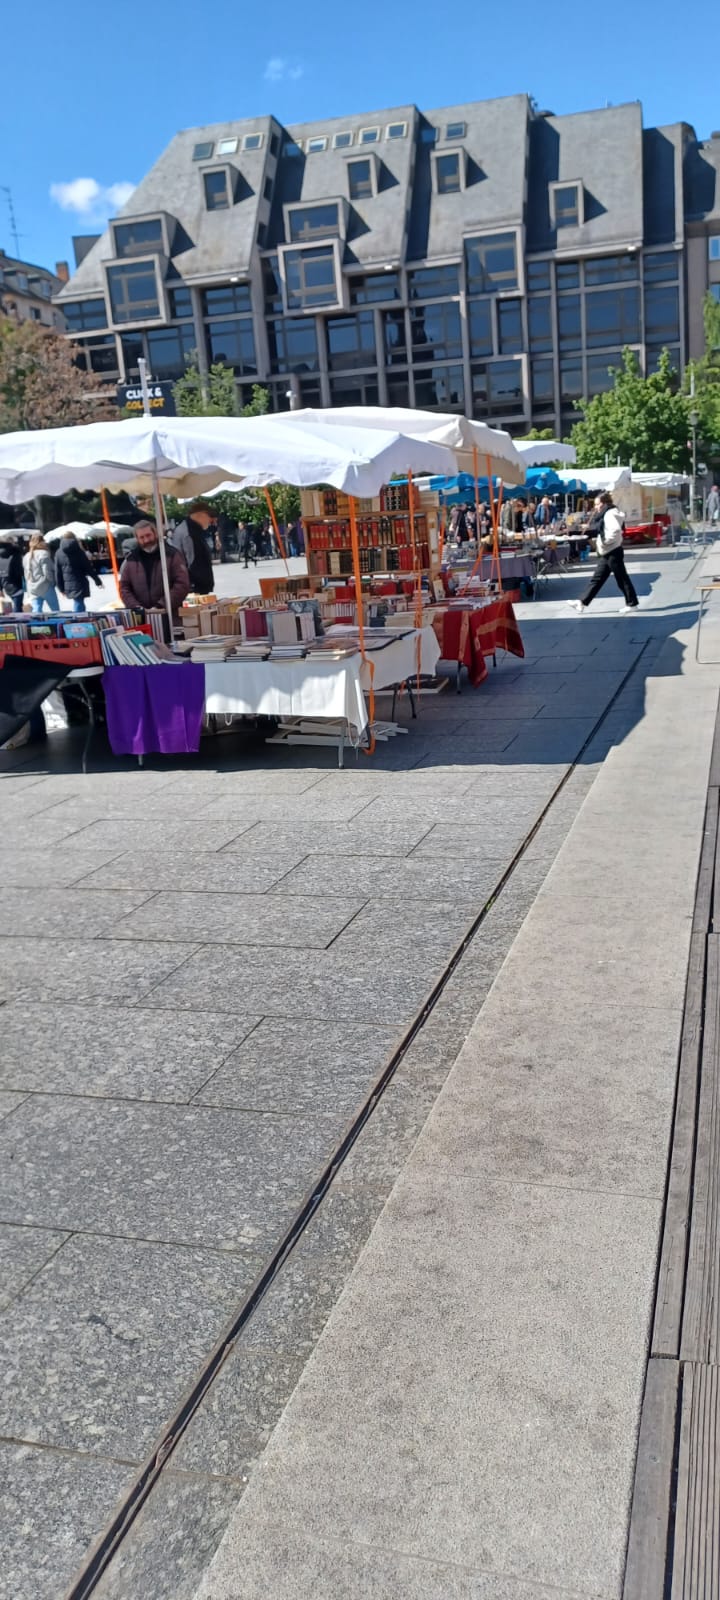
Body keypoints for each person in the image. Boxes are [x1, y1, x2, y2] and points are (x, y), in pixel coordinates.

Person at [568, 492, 639, 615]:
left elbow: (615, 530)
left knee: (621, 578)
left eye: (597, 504)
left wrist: (606, 542)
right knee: (598, 578)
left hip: (612, 551)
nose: (595, 507)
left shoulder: (610, 514)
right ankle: (582, 602)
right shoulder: (608, 513)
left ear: (604, 503)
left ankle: (632, 604)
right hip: (609, 551)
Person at [119, 518, 190, 627]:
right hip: (141, 619)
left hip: (169, 616)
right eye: (142, 537)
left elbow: (182, 584)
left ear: (155, 534)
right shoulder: (131, 559)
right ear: (137, 539)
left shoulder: (172, 554)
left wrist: (160, 606)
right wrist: (136, 608)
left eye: (148, 535)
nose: (146, 540)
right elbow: (124, 587)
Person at [171, 500, 215, 594]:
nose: (211, 521)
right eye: (209, 516)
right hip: (194, 587)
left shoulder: (193, 529)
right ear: (201, 514)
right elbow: (190, 562)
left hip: (196, 585)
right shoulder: (189, 533)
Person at [54, 532, 102, 614]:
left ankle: (78, 617)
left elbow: (57, 572)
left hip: (67, 583)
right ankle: (77, 618)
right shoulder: (79, 551)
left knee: (78, 602)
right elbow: (88, 567)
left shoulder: (58, 553)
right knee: (79, 603)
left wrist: (60, 588)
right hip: (80, 581)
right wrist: (97, 581)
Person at [23, 535, 60, 614]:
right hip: (45, 585)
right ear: (42, 542)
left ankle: (36, 622)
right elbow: (47, 572)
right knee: (55, 610)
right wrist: (53, 583)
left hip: (33, 587)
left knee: (36, 610)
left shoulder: (26, 556)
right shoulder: (44, 554)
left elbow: (26, 574)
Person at [0, 536, 25, 611]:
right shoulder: (15, 554)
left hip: (5, 585)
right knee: (17, 608)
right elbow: (19, 570)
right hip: (16, 585)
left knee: (10, 609)